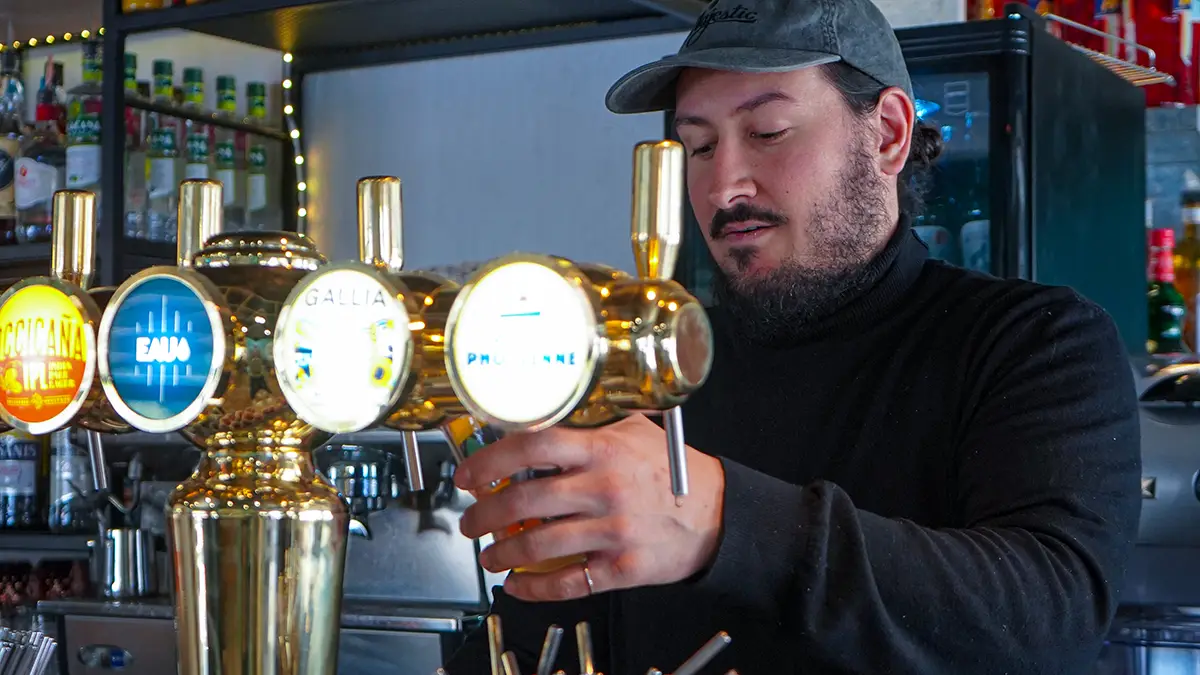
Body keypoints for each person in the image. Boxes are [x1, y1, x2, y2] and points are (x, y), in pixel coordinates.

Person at [444, 0, 1142, 673]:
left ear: (889, 134)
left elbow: (1052, 622)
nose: (723, 185)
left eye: (769, 131)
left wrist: (720, 519)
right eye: (698, 146)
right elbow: (548, 630)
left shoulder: (1034, 341)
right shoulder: (657, 370)